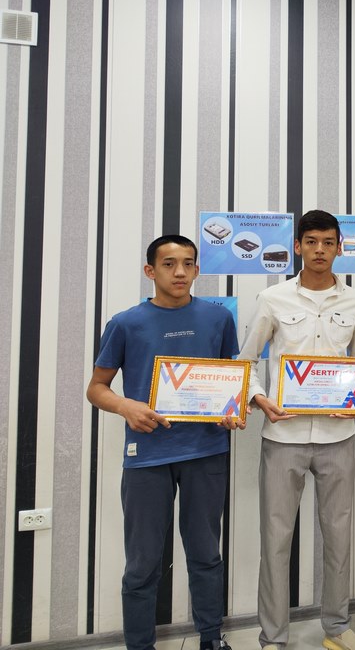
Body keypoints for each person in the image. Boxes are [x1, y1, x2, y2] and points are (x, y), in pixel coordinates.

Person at [86, 235, 239, 650]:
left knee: (206, 554)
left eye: (188, 264)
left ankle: (211, 638)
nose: (180, 272)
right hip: (147, 456)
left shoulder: (218, 318)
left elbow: (230, 379)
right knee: (143, 562)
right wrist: (125, 406)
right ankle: (140, 645)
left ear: (197, 270)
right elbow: (96, 388)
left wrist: (231, 408)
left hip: (206, 451)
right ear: (150, 271)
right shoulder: (125, 323)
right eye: (169, 264)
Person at [239, 210, 355, 650]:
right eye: (311, 241)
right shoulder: (272, 298)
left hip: (338, 438)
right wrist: (260, 398)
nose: (320, 250)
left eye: (328, 242)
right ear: (297, 246)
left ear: (339, 248)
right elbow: (247, 362)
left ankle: (336, 627)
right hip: (283, 438)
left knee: (339, 537)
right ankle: (273, 637)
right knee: (276, 541)